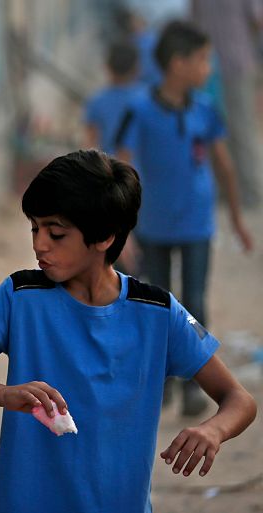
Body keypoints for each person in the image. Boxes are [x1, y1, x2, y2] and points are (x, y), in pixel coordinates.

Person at [0, 150, 257, 513]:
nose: (39, 244)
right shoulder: (19, 297)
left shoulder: (159, 312)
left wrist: (213, 430)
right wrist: (3, 394)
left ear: (104, 238)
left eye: (56, 233)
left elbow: (239, 400)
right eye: (35, 228)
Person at [115, 20, 254, 416]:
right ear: (178, 64)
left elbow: (224, 165)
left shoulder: (206, 110)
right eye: (203, 60)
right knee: (156, 304)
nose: (208, 68)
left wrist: (238, 220)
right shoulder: (139, 109)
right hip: (152, 226)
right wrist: (123, 230)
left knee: (194, 304)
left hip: (197, 224)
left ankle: (194, 384)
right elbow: (121, 167)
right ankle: (161, 382)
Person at [192, 0, 263, 208]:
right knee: (214, 130)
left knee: (241, 129)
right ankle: (226, 190)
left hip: (236, 65)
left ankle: (250, 191)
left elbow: (257, 20)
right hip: (207, 70)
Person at [83, 39, 143, 155]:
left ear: (107, 66)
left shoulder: (96, 101)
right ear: (136, 68)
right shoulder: (146, 98)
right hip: (141, 170)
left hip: (110, 168)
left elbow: (90, 144)